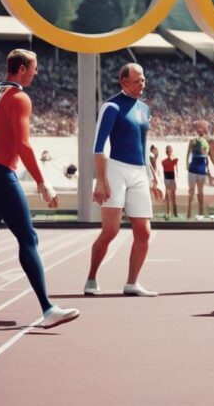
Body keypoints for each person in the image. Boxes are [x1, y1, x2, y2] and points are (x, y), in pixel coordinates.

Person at [0, 48, 78, 330]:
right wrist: (42, 181)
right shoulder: (20, 98)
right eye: (34, 67)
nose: (37, 72)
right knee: (28, 239)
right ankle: (48, 309)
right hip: (1, 175)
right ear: (21, 69)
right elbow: (23, 145)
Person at [85, 63, 158, 297]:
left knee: (144, 232)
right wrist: (100, 180)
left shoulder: (145, 109)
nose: (142, 84)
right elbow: (98, 146)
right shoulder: (111, 106)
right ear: (123, 82)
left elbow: (143, 145)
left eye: (143, 80)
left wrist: (153, 176)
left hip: (139, 172)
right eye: (137, 81)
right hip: (115, 169)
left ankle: (132, 283)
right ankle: (91, 278)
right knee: (110, 231)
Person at [186, 121, 214, 219]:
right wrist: (187, 165)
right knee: (191, 191)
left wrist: (209, 171)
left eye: (202, 128)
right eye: (199, 128)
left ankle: (201, 212)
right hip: (193, 168)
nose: (200, 130)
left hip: (202, 169)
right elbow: (188, 153)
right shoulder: (193, 141)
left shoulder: (206, 142)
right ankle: (189, 212)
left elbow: (208, 157)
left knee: (201, 191)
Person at [162, 145, 179, 218]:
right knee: (169, 197)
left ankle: (174, 212)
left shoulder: (174, 160)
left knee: (173, 197)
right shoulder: (163, 161)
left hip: (171, 179)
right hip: (167, 179)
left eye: (169, 151)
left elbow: (175, 159)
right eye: (168, 151)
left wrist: (171, 153)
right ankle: (169, 212)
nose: (168, 152)